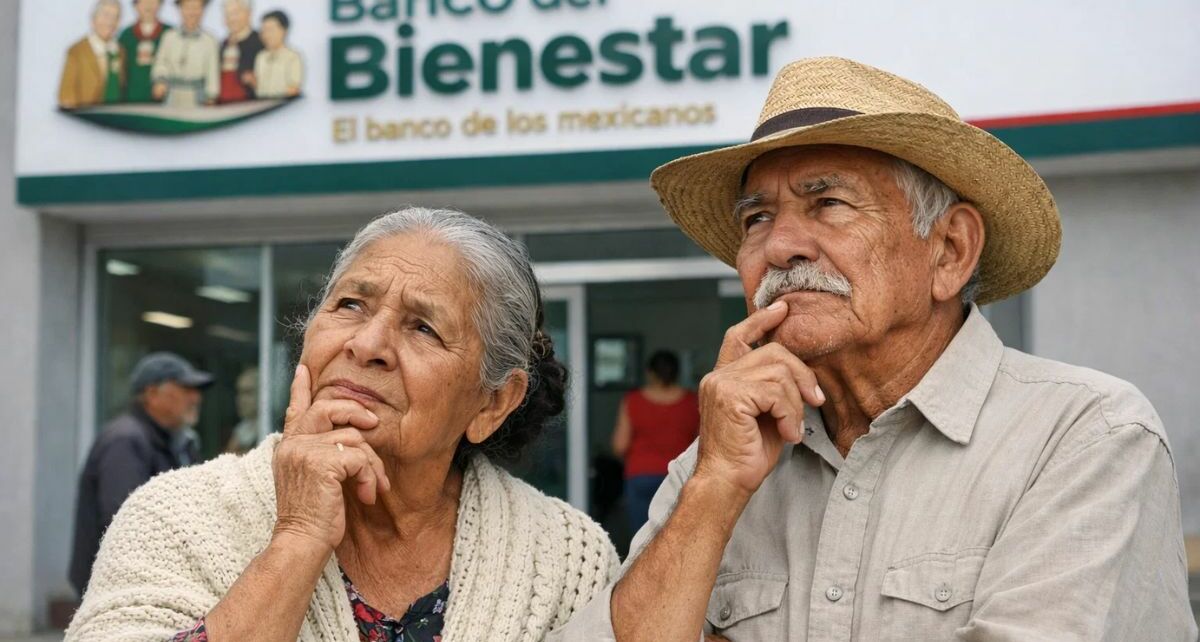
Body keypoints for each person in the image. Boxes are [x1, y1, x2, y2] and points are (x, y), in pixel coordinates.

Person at [551, 57, 1197, 640]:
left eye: (827, 203)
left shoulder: (1087, 437)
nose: (780, 248)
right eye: (757, 219)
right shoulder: (718, 460)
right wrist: (716, 486)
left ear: (949, 252)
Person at [66, 208, 619, 641]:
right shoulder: (177, 515)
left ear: (493, 403)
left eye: (423, 328)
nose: (367, 344)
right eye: (351, 304)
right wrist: (298, 537)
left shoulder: (565, 553)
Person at [68, 352, 212, 596]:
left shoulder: (177, 441)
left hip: (139, 585)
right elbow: (125, 522)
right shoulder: (125, 440)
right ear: (152, 394)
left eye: (196, 390)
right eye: (185, 388)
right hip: (115, 591)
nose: (195, 397)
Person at [611, 350, 698, 532]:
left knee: (642, 539)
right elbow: (703, 444)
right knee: (677, 536)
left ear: (650, 372)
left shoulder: (633, 400)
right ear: (677, 372)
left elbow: (620, 445)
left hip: (641, 475)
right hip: (680, 475)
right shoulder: (693, 402)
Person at [151, 0, 219, 108]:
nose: (192, 12)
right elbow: (161, 63)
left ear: (203, 10)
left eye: (197, 7)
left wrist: (211, 96)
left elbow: (212, 73)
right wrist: (160, 80)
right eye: (187, 7)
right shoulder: (169, 37)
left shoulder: (209, 41)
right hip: (172, 95)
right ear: (180, 9)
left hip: (198, 98)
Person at [58, 0, 125, 109]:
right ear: (93, 19)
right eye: (106, 15)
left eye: (115, 17)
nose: (110, 22)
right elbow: (65, 96)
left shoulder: (120, 52)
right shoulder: (76, 52)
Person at [117, 0, 171, 102]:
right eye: (143, 1)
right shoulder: (126, 35)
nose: (148, 5)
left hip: (165, 103)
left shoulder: (170, 33)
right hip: (131, 101)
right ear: (135, 5)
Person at [217, 0, 262, 103]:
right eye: (227, 14)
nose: (231, 19)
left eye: (235, 13)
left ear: (249, 14)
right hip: (223, 106)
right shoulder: (223, 44)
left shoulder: (260, 43)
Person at [250, 10, 302, 99]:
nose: (266, 35)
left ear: (284, 31)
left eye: (270, 30)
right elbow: (259, 88)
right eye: (263, 31)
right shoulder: (261, 57)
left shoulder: (292, 57)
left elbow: (294, 89)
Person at [224, 367, 259, 454]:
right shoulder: (241, 430)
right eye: (239, 393)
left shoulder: (271, 426)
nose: (241, 399)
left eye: (248, 393)